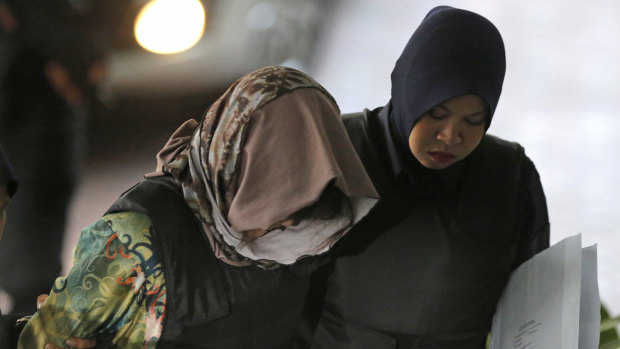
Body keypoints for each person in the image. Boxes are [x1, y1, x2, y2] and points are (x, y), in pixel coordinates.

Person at [18, 65, 379, 348]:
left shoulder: (322, 225)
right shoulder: (137, 240)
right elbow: (43, 341)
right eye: (263, 198)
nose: (278, 224)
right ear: (230, 160)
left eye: (298, 199)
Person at [308, 6, 550, 348]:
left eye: (474, 120)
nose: (451, 136)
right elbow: (272, 287)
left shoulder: (509, 175)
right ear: (410, 91)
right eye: (437, 112)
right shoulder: (337, 150)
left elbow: (536, 304)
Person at [0, 0, 124, 315]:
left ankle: (29, 315)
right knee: (34, 203)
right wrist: (72, 54)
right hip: (31, 78)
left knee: (38, 204)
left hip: (39, 79)